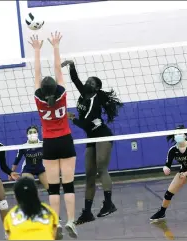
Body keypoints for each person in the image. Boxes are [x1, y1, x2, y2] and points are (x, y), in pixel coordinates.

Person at [61, 60, 123, 225]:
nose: (87, 83)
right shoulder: (83, 93)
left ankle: (109, 203)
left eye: (91, 82)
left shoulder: (94, 100)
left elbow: (86, 122)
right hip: (91, 137)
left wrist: (72, 118)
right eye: (87, 80)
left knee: (101, 168)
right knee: (89, 174)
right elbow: (75, 80)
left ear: (96, 88)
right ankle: (87, 212)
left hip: (102, 135)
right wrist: (72, 65)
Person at [28, 33, 77, 239]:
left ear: (43, 89)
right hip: (65, 141)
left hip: (48, 143)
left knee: (53, 188)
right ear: (56, 88)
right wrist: (55, 46)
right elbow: (58, 70)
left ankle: (55, 223)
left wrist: (36, 50)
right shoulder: (63, 94)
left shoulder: (39, 99)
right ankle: (71, 221)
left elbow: (37, 73)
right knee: (69, 185)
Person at [150, 125, 187, 221]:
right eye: (176, 134)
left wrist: (186, 173)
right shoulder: (173, 150)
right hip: (184, 170)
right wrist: (165, 169)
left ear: (185, 135)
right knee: (168, 193)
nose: (178, 135)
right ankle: (162, 212)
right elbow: (167, 164)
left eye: (180, 133)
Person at [10, 125, 48, 191]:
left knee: (51, 188)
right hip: (28, 169)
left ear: (37, 134)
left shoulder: (43, 144)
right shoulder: (23, 147)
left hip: (41, 169)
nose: (32, 134)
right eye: (30, 133)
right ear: (27, 135)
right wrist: (11, 173)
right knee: (31, 189)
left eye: (34, 132)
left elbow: (51, 157)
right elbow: (17, 161)